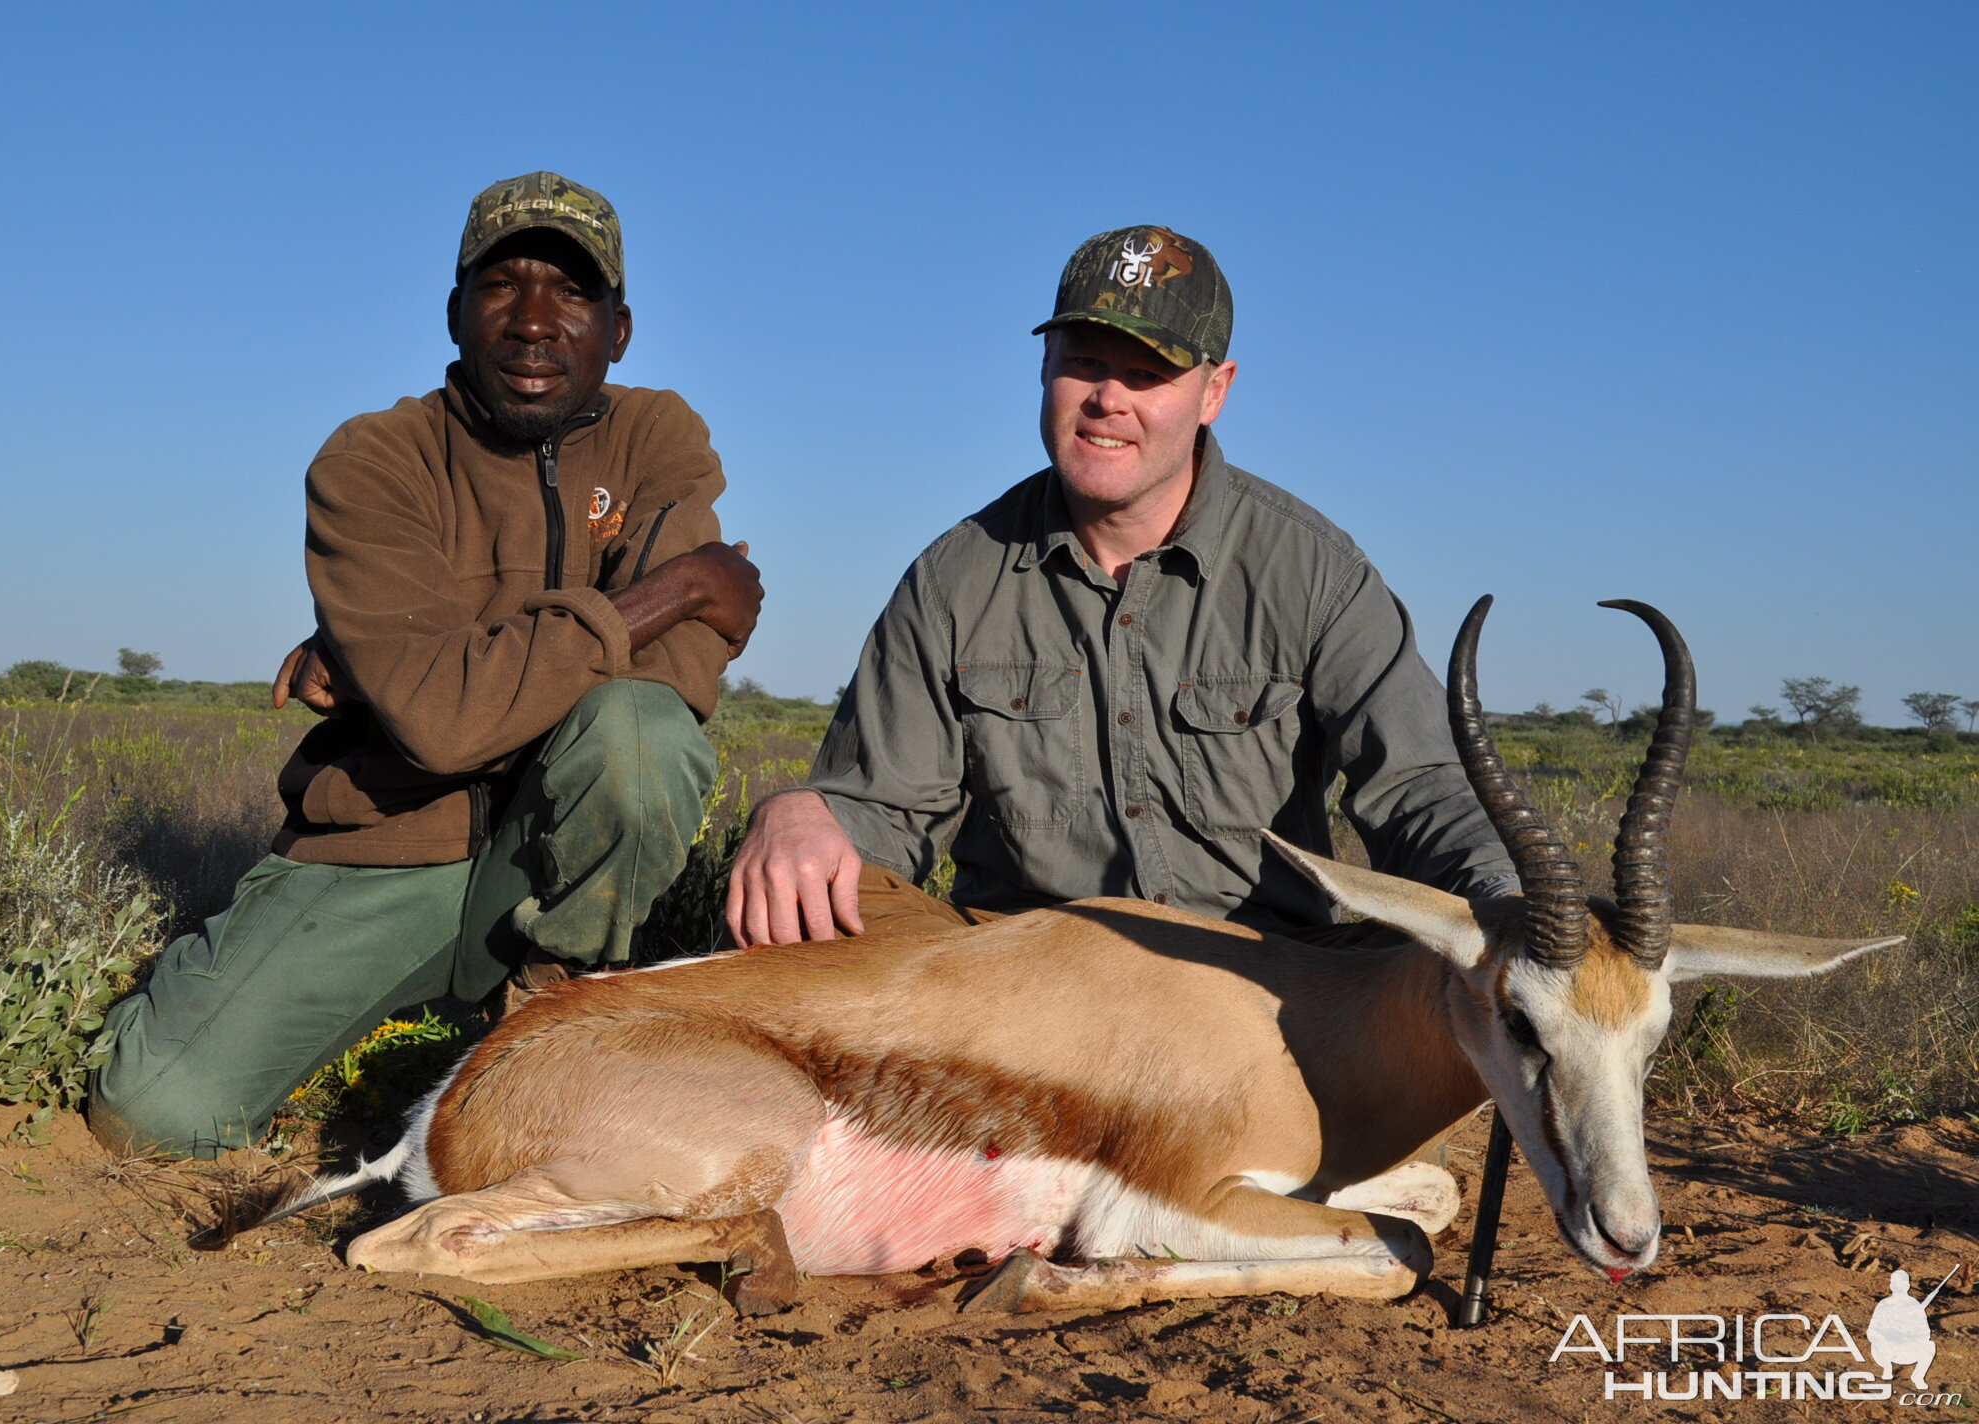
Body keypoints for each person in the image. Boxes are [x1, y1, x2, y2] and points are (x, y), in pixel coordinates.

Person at [90, 172, 762, 1158]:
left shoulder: (658, 434)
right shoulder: (373, 460)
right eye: (501, 286)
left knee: (637, 736)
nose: (533, 322)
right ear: (454, 313)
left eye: (571, 292)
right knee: (152, 1113)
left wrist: (415, 661)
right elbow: (443, 722)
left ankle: (547, 1009)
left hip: (547, 866)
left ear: (618, 329)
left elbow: (670, 682)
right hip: (383, 849)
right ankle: (390, 1004)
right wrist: (671, 590)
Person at [728, 226, 1514, 947]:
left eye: (1147, 374)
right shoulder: (952, 581)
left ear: (1215, 391)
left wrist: (1509, 899)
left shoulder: (1314, 573)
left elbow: (1423, 789)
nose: (1109, 399)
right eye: (1086, 362)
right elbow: (880, 809)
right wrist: (798, 814)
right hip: (1026, 985)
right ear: (1045, 366)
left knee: (1424, 969)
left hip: (1254, 988)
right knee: (809, 897)